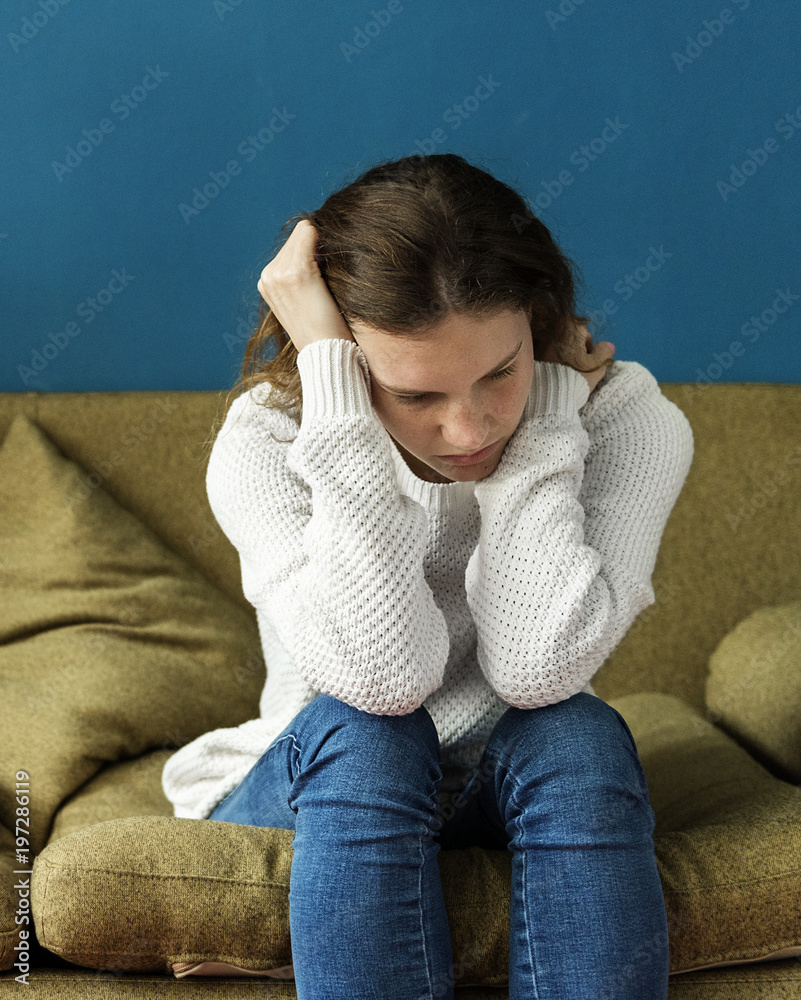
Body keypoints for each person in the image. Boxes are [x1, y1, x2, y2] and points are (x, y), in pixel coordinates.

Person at [161, 153, 694, 999]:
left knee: (577, 729)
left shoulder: (625, 419)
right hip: (326, 771)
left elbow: (536, 669)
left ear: (539, 322)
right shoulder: (268, 440)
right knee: (372, 737)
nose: (468, 427)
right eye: (414, 395)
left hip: (505, 774)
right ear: (338, 358)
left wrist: (550, 424)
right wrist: (342, 410)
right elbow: (383, 681)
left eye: (501, 372)